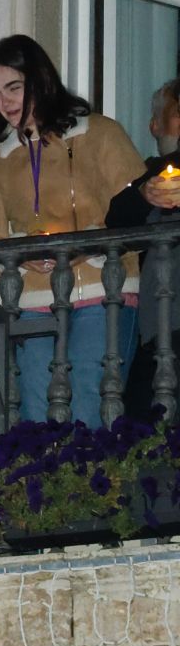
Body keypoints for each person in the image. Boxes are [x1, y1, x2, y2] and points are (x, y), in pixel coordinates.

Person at [0, 35, 148, 427]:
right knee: (36, 413)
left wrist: (87, 245)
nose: (3, 102)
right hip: (34, 298)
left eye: (13, 87)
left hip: (106, 289)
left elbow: (137, 212)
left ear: (41, 80)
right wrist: (21, 253)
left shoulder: (99, 133)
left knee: (90, 405)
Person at [104, 78, 180, 421]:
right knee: (144, 420)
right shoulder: (154, 174)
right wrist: (145, 194)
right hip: (162, 326)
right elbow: (116, 217)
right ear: (154, 125)